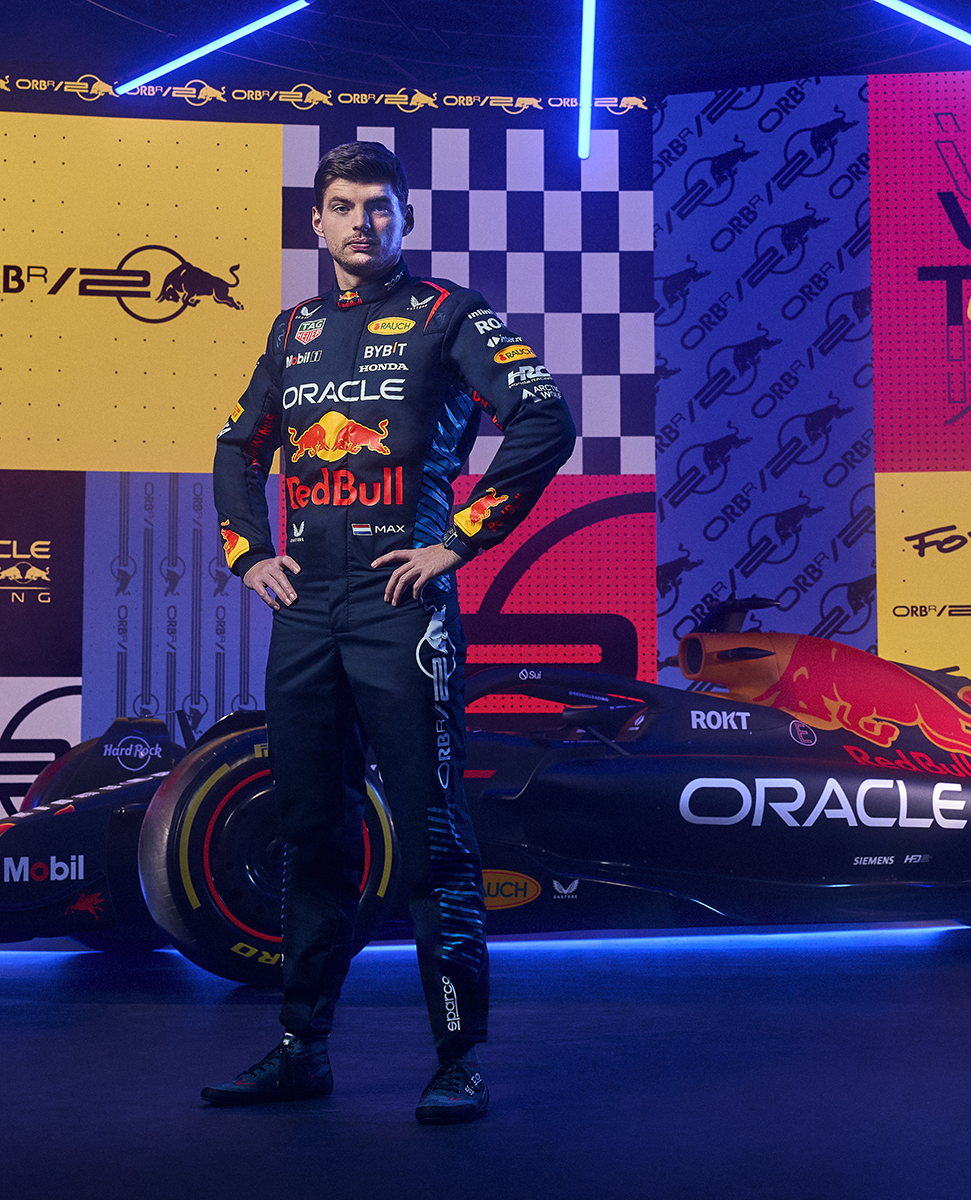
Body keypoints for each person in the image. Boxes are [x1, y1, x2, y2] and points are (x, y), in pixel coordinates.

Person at [202, 141, 576, 1124]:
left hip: (401, 608)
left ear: (404, 218)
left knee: (432, 835)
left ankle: (458, 1060)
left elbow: (544, 420)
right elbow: (237, 448)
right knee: (310, 833)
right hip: (305, 611)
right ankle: (301, 1048)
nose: (362, 222)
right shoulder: (292, 330)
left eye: (379, 207)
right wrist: (248, 552)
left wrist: (458, 540)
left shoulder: (452, 312)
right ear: (317, 221)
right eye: (343, 205)